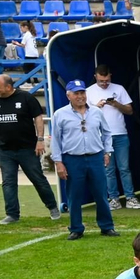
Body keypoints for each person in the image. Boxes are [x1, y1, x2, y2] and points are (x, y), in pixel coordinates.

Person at [0, 74, 59, 225]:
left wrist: (40, 140)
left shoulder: (26, 98)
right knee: (8, 182)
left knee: (38, 179)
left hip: (27, 149)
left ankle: (52, 207)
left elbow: (38, 117)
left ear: (8, 87)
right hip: (5, 150)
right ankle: (12, 214)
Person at [51, 79, 118, 240]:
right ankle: (76, 228)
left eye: (82, 93)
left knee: (101, 193)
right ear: (69, 95)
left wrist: (107, 151)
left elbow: (107, 132)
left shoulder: (96, 112)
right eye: (76, 93)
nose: (80, 96)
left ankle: (107, 226)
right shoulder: (60, 114)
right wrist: (58, 162)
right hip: (72, 159)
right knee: (74, 195)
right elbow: (56, 140)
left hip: (95, 156)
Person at [85, 64, 139, 210]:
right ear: (95, 76)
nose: (104, 83)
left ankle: (130, 197)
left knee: (124, 168)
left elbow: (129, 110)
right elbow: (83, 115)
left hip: (120, 133)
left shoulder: (119, 88)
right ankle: (113, 199)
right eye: (101, 81)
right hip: (101, 136)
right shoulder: (88, 92)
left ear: (110, 76)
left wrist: (116, 104)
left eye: (106, 80)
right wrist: (96, 107)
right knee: (109, 169)